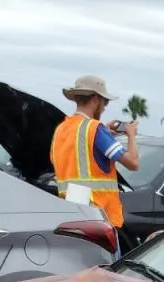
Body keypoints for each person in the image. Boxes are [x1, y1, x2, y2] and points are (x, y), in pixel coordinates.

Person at [50, 75, 140, 254]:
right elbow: (133, 163)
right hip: (99, 219)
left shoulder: (62, 129)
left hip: (71, 215)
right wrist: (130, 135)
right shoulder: (94, 129)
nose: (105, 107)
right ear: (96, 99)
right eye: (105, 102)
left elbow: (79, 155)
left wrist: (105, 133)